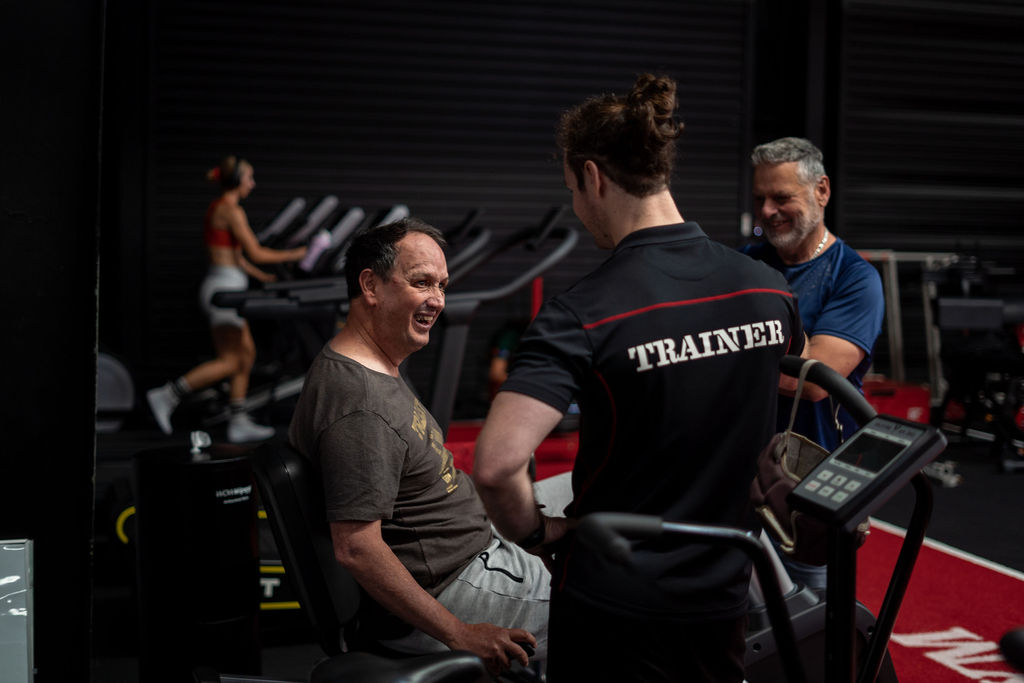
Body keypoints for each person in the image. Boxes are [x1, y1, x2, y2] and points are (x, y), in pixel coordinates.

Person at [472, 74, 805, 683]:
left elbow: (495, 466)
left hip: (616, 598)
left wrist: (538, 532)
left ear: (593, 177)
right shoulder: (768, 288)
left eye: (573, 188)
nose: (577, 205)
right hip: (726, 584)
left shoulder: (584, 310)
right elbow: (783, 387)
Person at [287, 217, 552, 677]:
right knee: (623, 598)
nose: (437, 301)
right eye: (421, 283)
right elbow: (357, 548)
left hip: (476, 549)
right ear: (371, 285)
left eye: (443, 286)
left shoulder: (377, 365)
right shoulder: (359, 404)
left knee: (587, 502)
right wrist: (460, 633)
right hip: (457, 585)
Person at [742, 138, 884, 588]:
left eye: (781, 197)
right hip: (744, 472)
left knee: (811, 622)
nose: (767, 211)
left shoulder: (854, 278)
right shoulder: (747, 262)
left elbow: (813, 380)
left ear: (821, 190)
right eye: (760, 198)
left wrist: (727, 353)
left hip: (812, 482)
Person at [146, 156, 308, 443]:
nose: (252, 183)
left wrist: (262, 275)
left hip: (229, 286)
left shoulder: (220, 209)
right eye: (249, 178)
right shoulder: (230, 210)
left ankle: (238, 421)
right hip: (224, 292)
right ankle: (167, 395)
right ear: (236, 181)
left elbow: (238, 258)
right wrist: (296, 254)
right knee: (232, 359)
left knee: (246, 356)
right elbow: (256, 251)